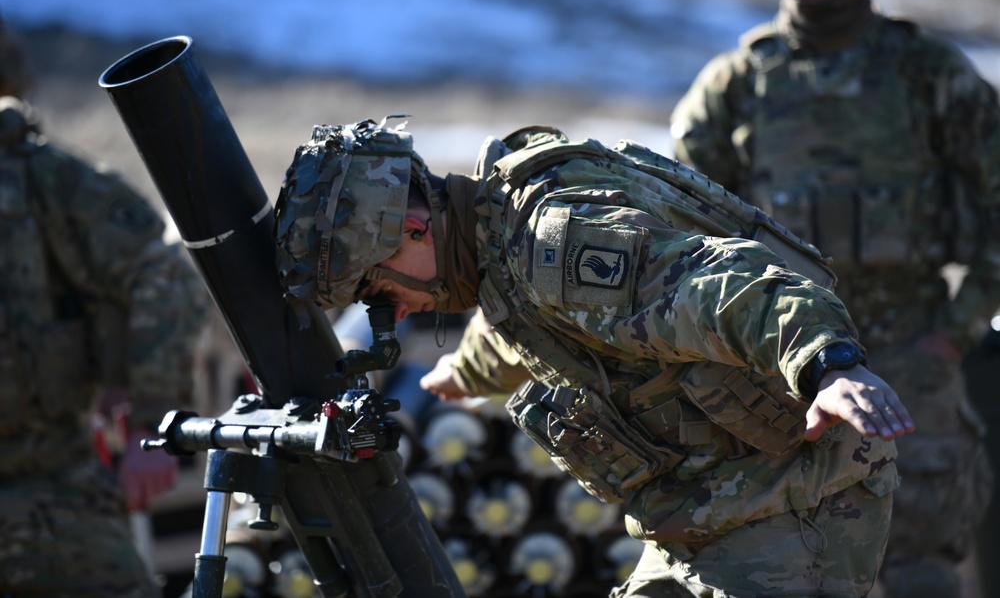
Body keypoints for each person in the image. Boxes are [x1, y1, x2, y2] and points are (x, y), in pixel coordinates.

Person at [273, 116, 914, 597]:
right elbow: (524, 330)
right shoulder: (498, 240)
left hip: (791, 499)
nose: (393, 311)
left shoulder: (552, 248)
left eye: (379, 290)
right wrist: (462, 373)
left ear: (412, 230)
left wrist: (827, 363)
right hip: (703, 511)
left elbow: (721, 287)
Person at [668, 0, 998, 596]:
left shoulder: (928, 73)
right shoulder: (737, 83)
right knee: (783, 561)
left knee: (920, 557)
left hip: (909, 343)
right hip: (782, 361)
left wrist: (953, 331)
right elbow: (684, 228)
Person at [0, 18, 209, 597]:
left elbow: (162, 274)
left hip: (50, 487)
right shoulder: (47, 176)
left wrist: (149, 420)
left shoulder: (45, 180)